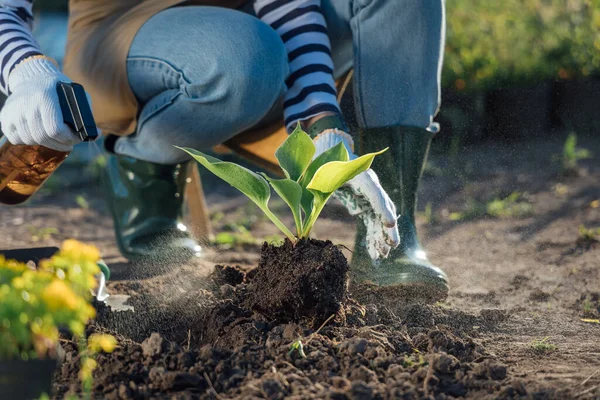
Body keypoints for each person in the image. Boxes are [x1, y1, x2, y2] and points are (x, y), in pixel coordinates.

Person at [0, 0, 448, 300]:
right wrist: (23, 67)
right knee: (243, 52)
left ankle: (390, 228)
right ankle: (144, 158)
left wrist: (320, 122)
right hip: (126, 32)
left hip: (260, 34)